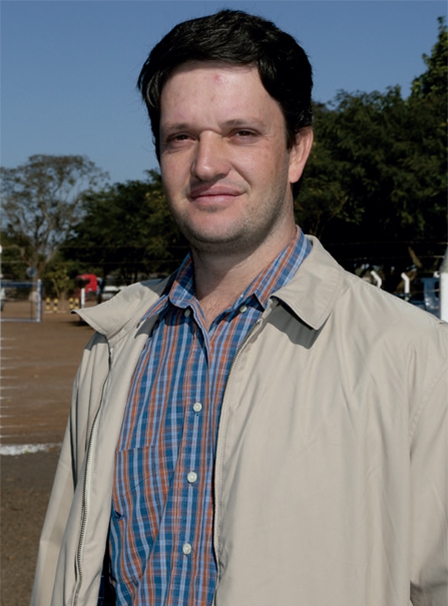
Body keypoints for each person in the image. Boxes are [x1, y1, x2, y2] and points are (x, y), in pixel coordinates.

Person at [31, 10, 447, 606]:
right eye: (181, 137)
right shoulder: (112, 347)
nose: (206, 164)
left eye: (241, 133)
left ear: (297, 150)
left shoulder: (416, 358)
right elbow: (65, 567)